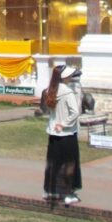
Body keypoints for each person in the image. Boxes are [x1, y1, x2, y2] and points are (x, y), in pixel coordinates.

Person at [44, 65, 83, 205]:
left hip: (53, 133)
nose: (71, 78)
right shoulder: (67, 92)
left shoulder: (50, 90)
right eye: (69, 76)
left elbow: (47, 110)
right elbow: (75, 112)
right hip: (66, 134)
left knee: (54, 163)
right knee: (69, 164)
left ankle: (52, 190)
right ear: (64, 77)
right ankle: (67, 192)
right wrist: (64, 124)